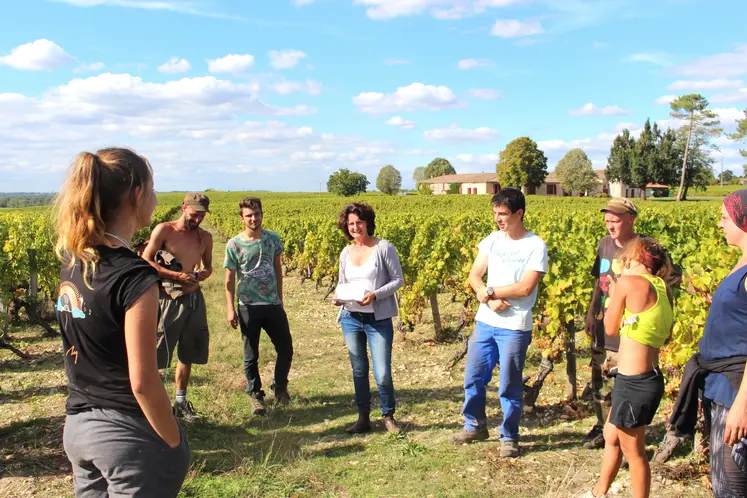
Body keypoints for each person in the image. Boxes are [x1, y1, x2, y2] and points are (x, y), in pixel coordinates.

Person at [55, 148, 189, 497]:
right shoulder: (134, 276)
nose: (157, 198)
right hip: (127, 436)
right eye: (154, 188)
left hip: (79, 428)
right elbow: (143, 381)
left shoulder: (75, 263)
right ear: (137, 195)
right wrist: (173, 441)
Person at [450, 188, 548, 458]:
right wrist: (486, 295)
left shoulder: (535, 245)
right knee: (473, 378)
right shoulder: (492, 240)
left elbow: (526, 287)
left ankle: (509, 436)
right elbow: (474, 275)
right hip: (485, 322)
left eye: (503, 214)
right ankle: (475, 426)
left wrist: (491, 292)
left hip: (514, 326)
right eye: (495, 214)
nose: (498, 219)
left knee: (509, 385)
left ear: (519, 213)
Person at [663, 190, 747, 497]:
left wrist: (742, 406)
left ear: (744, 221)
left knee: (732, 484)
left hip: (736, 392)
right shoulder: (742, 261)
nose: (720, 224)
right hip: (721, 387)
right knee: (724, 480)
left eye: (725, 218)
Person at [583, 237, 674, 498]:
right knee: (611, 436)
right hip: (648, 379)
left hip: (633, 383)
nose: (622, 262)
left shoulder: (627, 283)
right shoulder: (663, 287)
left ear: (638, 258)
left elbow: (610, 330)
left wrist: (614, 296)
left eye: (625, 258)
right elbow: (665, 335)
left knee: (634, 454)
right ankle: (599, 491)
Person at [332, 202, 404, 434]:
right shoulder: (346, 252)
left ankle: (388, 415)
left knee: (382, 371)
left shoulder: (384, 247)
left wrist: (375, 294)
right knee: (359, 369)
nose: (355, 227)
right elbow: (343, 282)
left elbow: (397, 280)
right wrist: (340, 297)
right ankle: (363, 417)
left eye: (359, 222)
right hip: (350, 318)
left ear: (368, 223)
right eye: (351, 223)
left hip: (378, 319)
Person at [142, 192, 213, 421]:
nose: (197, 219)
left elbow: (209, 266)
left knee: (188, 352)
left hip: (193, 298)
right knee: (158, 352)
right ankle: (151, 408)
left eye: (201, 215)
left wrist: (202, 274)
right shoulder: (164, 230)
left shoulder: (205, 237)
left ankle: (180, 403)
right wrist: (175, 275)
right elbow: (146, 259)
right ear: (184, 208)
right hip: (168, 299)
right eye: (194, 214)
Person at [225, 197, 293, 416]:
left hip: (272, 304)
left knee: (286, 349)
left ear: (262, 214)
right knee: (250, 354)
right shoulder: (234, 244)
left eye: (257, 214)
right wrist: (230, 308)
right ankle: (255, 394)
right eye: (249, 215)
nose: (254, 218)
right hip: (248, 306)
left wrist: (280, 299)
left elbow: (277, 269)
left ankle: (280, 387)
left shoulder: (273, 239)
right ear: (242, 218)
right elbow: (229, 279)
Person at [583, 197, 641, 449]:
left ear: (631, 220)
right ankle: (601, 426)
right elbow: (599, 281)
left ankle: (624, 431)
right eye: (607, 220)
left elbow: (661, 285)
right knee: (601, 378)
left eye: (615, 220)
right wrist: (590, 311)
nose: (610, 225)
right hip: (603, 325)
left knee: (625, 382)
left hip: (629, 328)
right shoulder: (604, 244)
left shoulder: (644, 248)